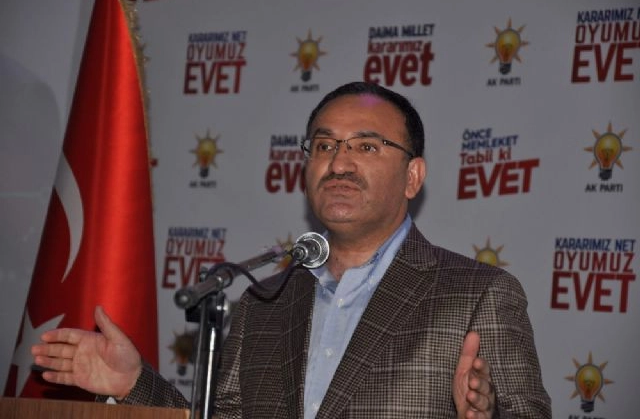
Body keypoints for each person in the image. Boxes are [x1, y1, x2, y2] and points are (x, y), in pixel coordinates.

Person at [32, 81, 551, 418]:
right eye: (324, 146)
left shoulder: (478, 294)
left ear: (413, 176)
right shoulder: (264, 301)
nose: (339, 163)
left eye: (367, 146)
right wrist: (133, 383)